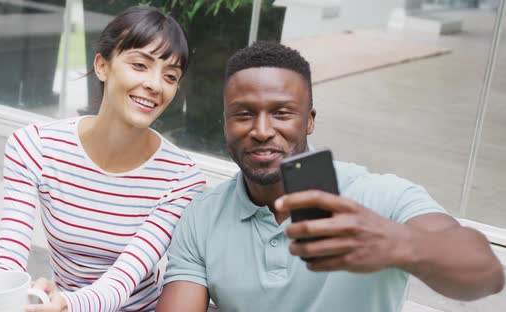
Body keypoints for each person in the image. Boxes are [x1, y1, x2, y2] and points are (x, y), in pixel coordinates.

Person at [156, 41, 504, 312]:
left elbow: (486, 273)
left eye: (281, 113)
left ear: (309, 119)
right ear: (226, 123)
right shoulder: (203, 216)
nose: (261, 131)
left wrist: (401, 245)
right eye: (243, 114)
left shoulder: (376, 197)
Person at [0, 6, 206, 312]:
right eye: (140, 65)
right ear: (102, 66)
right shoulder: (33, 147)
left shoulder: (182, 177)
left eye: (170, 76)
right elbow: (9, 262)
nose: (155, 84)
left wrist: (64, 305)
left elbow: (120, 283)